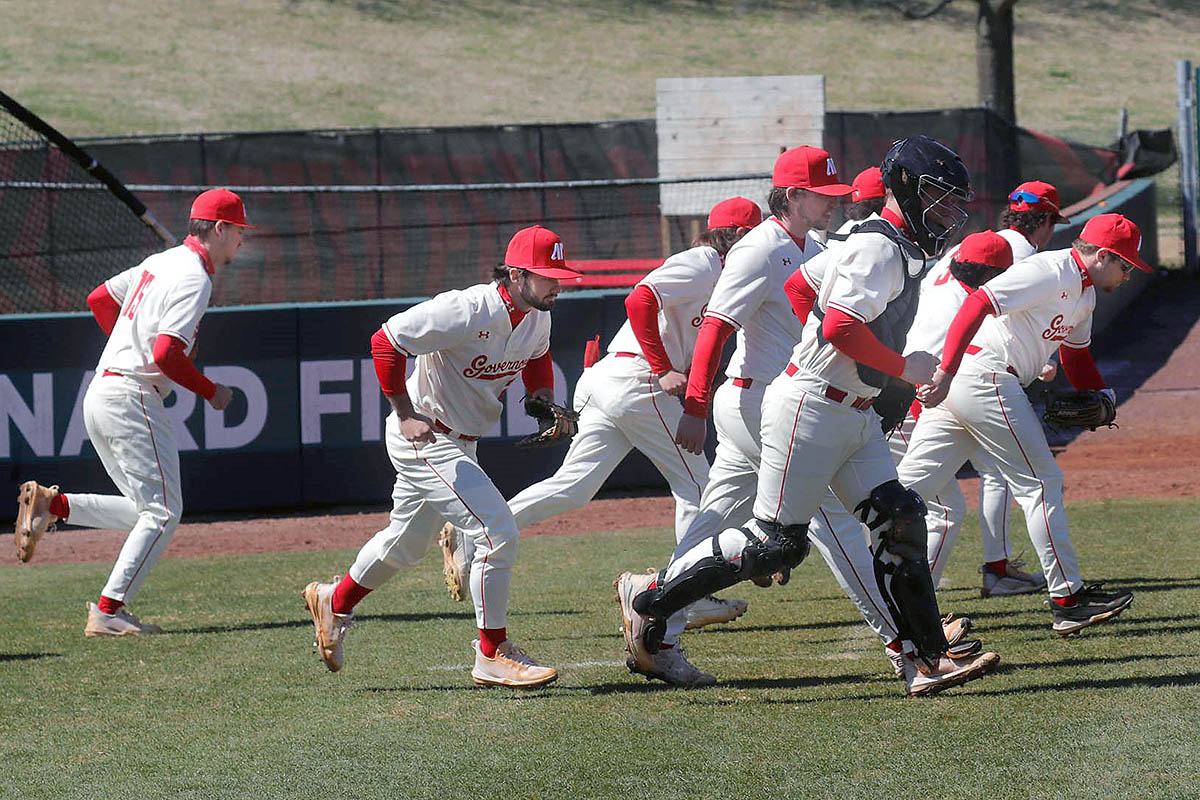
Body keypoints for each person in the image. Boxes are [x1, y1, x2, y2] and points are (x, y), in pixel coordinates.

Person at [619, 136, 1001, 697]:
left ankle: (926, 660)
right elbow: (839, 327)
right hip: (813, 405)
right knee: (777, 544)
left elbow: (803, 285)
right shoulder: (876, 247)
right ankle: (651, 596)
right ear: (905, 191)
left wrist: (863, 368)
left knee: (899, 519)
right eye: (938, 198)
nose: (948, 212)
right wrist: (903, 368)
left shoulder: (874, 240)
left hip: (849, 408)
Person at [438, 199, 764, 662]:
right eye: (753, 234)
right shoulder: (704, 261)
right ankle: (679, 594)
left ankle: (474, 534)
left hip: (615, 380)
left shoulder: (729, 274)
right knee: (701, 489)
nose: (761, 244)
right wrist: (662, 366)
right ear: (735, 235)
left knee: (573, 489)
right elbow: (638, 299)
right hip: (637, 379)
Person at [301, 225, 579, 687]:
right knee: (496, 531)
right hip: (426, 437)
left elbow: (537, 357)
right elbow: (385, 340)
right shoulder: (467, 309)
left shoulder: (537, 314)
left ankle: (335, 601)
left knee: (404, 544)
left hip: (463, 440)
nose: (558, 283)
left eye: (559, 273)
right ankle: (492, 653)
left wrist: (541, 399)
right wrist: (405, 412)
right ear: (514, 274)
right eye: (547, 274)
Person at [13, 189, 247, 636]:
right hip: (133, 394)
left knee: (145, 510)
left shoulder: (160, 262)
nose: (242, 241)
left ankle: (54, 503)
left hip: (102, 389)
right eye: (238, 230)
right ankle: (108, 611)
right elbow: (165, 354)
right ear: (219, 228)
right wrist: (210, 391)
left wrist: (128, 343)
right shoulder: (196, 276)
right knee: (162, 514)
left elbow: (100, 299)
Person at [902, 212, 1143, 635]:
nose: (1127, 274)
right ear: (1103, 256)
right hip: (986, 375)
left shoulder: (1084, 294)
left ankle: (883, 586)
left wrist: (1104, 394)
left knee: (906, 493)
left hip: (974, 379)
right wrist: (946, 370)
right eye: (1125, 265)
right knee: (1041, 482)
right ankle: (1068, 599)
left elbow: (1076, 354)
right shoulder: (1048, 270)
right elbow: (977, 303)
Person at [895, 180, 1072, 596]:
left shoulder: (968, 245)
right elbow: (1001, 318)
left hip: (919, 370)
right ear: (1043, 221)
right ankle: (905, 590)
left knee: (958, 485)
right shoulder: (1021, 255)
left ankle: (991, 569)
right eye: (1051, 223)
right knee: (945, 504)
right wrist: (1043, 361)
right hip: (947, 377)